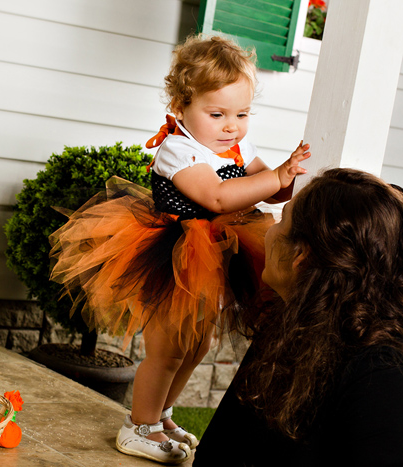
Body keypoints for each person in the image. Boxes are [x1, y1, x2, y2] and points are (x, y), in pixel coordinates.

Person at [48, 34, 310, 464]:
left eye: (242, 114)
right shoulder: (178, 150)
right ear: (181, 107)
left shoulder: (239, 145)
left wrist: (291, 179)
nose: (232, 125)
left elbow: (267, 189)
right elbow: (218, 198)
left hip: (219, 253)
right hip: (174, 255)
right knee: (168, 347)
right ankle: (138, 426)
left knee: (197, 345)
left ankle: (162, 416)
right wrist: (276, 176)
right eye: (217, 113)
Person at [193, 168, 403, 466]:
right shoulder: (290, 327)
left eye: (282, 218)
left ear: (300, 256)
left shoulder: (381, 375)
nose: (269, 227)